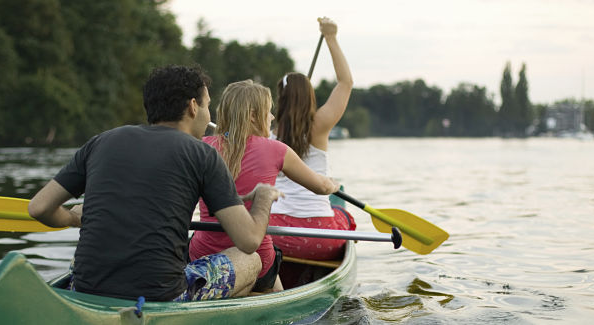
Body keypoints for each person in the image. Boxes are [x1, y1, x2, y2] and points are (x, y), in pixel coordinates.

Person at [27, 65, 283, 302]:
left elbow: (39, 208)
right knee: (249, 259)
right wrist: (262, 198)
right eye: (207, 106)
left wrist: (73, 217)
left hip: (85, 288)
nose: (208, 116)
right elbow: (249, 240)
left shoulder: (100, 141)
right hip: (161, 295)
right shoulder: (203, 154)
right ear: (193, 107)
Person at [188, 80, 340, 292]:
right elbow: (320, 187)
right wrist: (333, 185)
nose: (272, 118)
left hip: (204, 254)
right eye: (268, 112)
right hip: (258, 257)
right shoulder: (277, 150)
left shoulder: (201, 146)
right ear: (252, 115)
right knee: (275, 282)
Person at [269, 17, 355, 260]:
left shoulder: (266, 133)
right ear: (310, 96)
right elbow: (346, 83)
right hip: (320, 236)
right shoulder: (320, 125)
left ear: (280, 98)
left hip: (276, 234)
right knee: (343, 214)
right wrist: (331, 37)